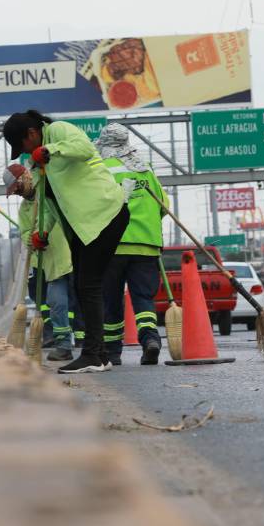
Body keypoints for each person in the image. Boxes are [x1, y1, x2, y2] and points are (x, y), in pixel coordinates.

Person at [2, 111, 128, 374]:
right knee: (84, 286)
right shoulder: (38, 167)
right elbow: (48, 203)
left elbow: (84, 148)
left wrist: (50, 149)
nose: (24, 152)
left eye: (22, 145)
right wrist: (43, 233)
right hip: (82, 226)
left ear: (32, 134)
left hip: (104, 213)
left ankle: (94, 354)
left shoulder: (58, 130)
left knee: (88, 284)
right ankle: (99, 355)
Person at [95, 123, 166, 366]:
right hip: (146, 244)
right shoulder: (145, 169)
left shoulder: (101, 168)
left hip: (112, 245)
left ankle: (113, 352)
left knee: (111, 299)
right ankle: (150, 340)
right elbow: (163, 205)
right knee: (143, 298)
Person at [9, 163, 82, 361]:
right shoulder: (25, 209)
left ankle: (81, 343)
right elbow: (25, 233)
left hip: (68, 253)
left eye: (17, 188)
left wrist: (43, 232)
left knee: (70, 301)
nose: (18, 194)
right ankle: (64, 343)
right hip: (48, 262)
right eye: (14, 192)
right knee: (55, 302)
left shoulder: (48, 190)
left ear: (25, 178)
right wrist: (32, 238)